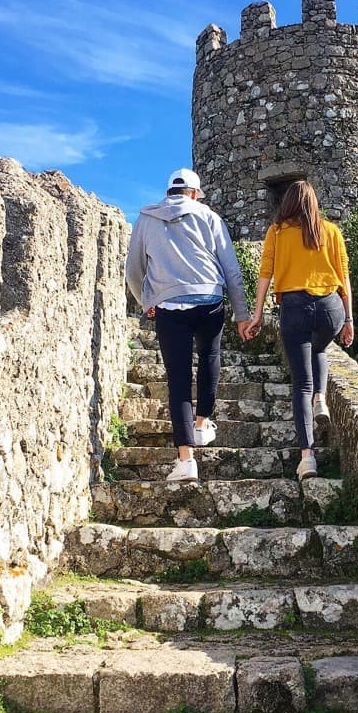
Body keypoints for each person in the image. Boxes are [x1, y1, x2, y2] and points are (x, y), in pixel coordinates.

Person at [125, 168, 250, 482]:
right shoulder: (209, 218)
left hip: (169, 306)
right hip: (209, 298)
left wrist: (147, 301)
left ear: (169, 192)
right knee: (209, 358)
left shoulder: (145, 219)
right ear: (194, 193)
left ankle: (185, 461)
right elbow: (231, 270)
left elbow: (134, 269)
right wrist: (242, 314)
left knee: (178, 381)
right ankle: (202, 423)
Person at [243, 181, 354, 480]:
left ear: (287, 203)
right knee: (320, 348)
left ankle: (308, 458)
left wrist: (256, 315)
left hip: (294, 307)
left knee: (300, 384)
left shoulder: (277, 232)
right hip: (331, 307)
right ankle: (322, 398)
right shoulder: (330, 231)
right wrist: (349, 320)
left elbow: (265, 273)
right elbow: (344, 279)